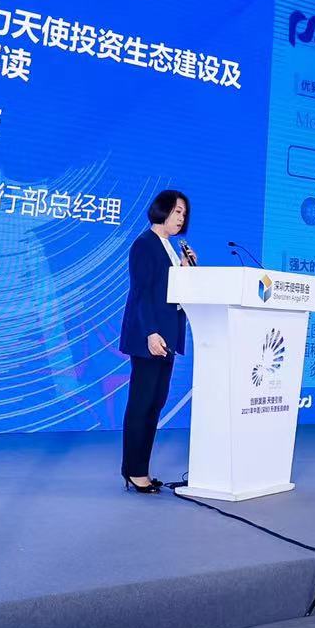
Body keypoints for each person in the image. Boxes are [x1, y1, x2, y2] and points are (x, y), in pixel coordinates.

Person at [118, 189, 196, 493]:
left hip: (167, 337)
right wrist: (151, 332)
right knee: (142, 403)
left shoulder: (170, 248)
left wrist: (186, 270)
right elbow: (140, 294)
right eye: (177, 211)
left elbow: (172, 293)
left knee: (155, 403)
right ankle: (133, 471)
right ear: (162, 210)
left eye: (184, 214)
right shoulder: (145, 244)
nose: (181, 218)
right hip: (149, 337)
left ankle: (141, 469)